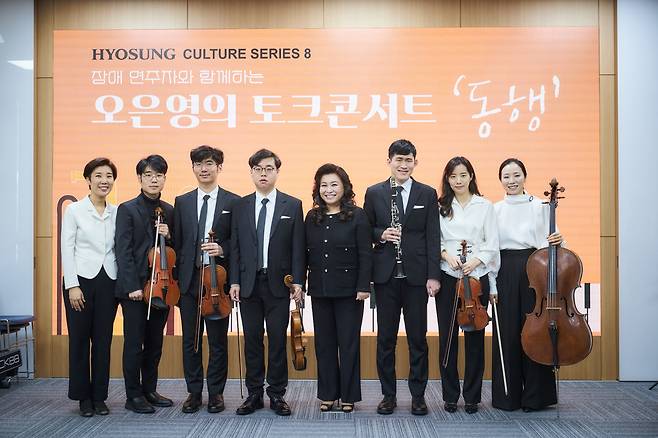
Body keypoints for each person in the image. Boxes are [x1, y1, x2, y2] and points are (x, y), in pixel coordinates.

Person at [363, 139, 440, 416]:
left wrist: (434, 275)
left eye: (408, 160)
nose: (403, 165)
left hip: (417, 278)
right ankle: (388, 395)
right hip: (385, 277)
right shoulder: (374, 192)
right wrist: (380, 234)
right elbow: (366, 229)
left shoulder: (427, 193)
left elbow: (433, 236)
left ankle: (418, 396)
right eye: (399, 159)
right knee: (386, 339)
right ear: (389, 161)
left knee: (418, 339)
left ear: (415, 163)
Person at [229, 149, 305, 416]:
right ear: (251, 172)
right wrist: (234, 280)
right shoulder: (240, 205)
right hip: (248, 285)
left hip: (278, 285)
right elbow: (236, 247)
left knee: (276, 341)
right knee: (252, 340)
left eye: (269, 168)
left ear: (277, 172)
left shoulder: (292, 204)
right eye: (258, 169)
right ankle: (253, 393)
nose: (263, 173)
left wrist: (298, 282)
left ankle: (276, 394)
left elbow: (298, 248)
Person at [173, 145, 239, 414]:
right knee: (191, 341)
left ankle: (216, 393)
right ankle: (193, 392)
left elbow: (239, 242)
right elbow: (177, 242)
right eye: (198, 164)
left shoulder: (234, 202)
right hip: (189, 283)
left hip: (217, 283)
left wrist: (222, 248)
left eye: (209, 163)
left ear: (219, 167)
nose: (204, 168)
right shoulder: (182, 201)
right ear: (192, 168)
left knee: (217, 341)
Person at [491, 158, 560, 412]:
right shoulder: (494, 209)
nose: (512, 181)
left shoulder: (541, 206)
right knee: (507, 333)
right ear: (501, 180)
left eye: (516, 175)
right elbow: (491, 248)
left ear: (525, 177)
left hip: (534, 269)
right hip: (503, 269)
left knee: (534, 333)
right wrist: (491, 282)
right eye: (506, 176)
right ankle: (507, 397)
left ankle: (536, 397)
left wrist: (558, 238)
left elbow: (551, 243)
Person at [305, 163, 372, 413]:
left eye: (334, 184)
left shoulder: (358, 215)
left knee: (348, 344)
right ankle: (327, 394)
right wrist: (300, 284)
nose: (329, 190)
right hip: (320, 291)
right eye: (324, 185)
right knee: (324, 344)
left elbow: (366, 254)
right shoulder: (312, 217)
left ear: (344, 187)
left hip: (350, 292)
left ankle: (349, 396)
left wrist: (364, 286)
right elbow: (304, 253)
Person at [437, 156, 499, 415]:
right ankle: (450, 396)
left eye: (463, 175)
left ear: (471, 176)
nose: (458, 180)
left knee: (475, 339)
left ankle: (472, 396)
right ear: (447, 180)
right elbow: (435, 240)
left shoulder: (485, 206)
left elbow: (492, 243)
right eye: (453, 176)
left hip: (476, 277)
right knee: (448, 339)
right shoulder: (440, 206)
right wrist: (445, 255)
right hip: (449, 276)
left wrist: (475, 261)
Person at [115, 154, 175, 414]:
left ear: (164, 178)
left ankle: (149, 389)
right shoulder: (127, 209)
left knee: (154, 343)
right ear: (140, 178)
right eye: (149, 175)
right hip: (136, 290)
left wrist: (169, 235)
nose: (154, 179)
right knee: (134, 343)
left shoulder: (170, 211)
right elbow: (123, 251)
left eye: (159, 175)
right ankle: (133, 395)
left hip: (161, 288)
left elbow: (174, 252)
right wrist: (132, 286)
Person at [61, 157, 119, 417]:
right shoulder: (74, 210)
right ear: (88, 180)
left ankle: (99, 396)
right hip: (80, 282)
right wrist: (72, 285)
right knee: (80, 340)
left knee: (103, 341)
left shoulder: (116, 211)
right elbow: (67, 249)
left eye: (108, 176)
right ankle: (83, 397)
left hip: (109, 281)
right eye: (98, 175)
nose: (104, 180)